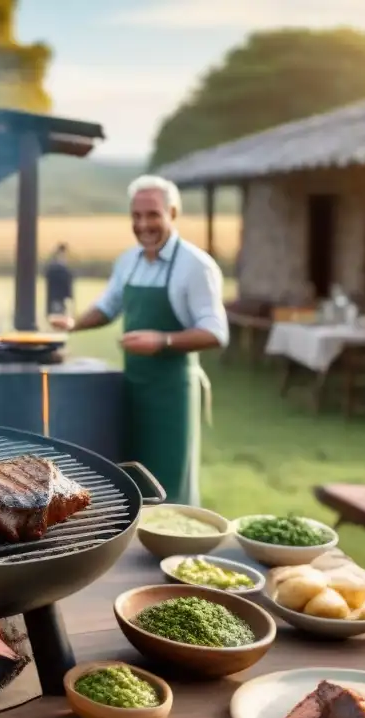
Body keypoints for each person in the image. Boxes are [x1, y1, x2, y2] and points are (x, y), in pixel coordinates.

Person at [50, 176, 228, 506]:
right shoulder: (128, 261)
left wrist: (163, 341)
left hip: (172, 397)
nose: (143, 224)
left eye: (152, 215)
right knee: (134, 479)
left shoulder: (195, 265)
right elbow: (108, 307)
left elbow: (216, 332)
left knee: (170, 485)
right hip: (131, 388)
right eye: (136, 216)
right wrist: (73, 324)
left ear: (173, 213)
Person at [44, 242, 74, 317]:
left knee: (59, 315)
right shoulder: (57, 269)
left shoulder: (57, 268)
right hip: (56, 298)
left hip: (58, 298)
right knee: (57, 315)